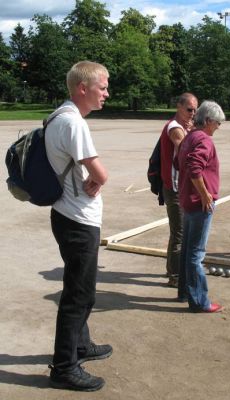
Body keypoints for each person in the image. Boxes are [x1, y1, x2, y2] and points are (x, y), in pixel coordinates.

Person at [45, 61, 112, 391]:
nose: (107, 93)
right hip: (78, 220)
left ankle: (81, 345)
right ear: (82, 88)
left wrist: (95, 182)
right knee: (79, 295)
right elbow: (101, 173)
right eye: (102, 87)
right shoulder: (73, 124)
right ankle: (64, 367)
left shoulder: (58, 116)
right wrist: (99, 181)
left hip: (66, 213)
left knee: (79, 287)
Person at [176, 100, 225, 313]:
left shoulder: (190, 137)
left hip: (188, 200)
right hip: (198, 203)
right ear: (207, 121)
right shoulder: (203, 139)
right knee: (196, 254)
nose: (218, 127)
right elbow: (194, 167)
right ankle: (199, 301)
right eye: (217, 123)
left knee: (188, 250)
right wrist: (205, 195)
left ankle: (185, 292)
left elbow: (181, 164)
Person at [159, 92, 198, 288]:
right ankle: (174, 275)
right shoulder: (175, 128)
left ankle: (174, 270)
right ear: (179, 108)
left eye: (195, 110)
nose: (193, 113)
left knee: (180, 231)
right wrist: (194, 133)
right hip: (174, 187)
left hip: (179, 186)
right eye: (189, 109)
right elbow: (186, 151)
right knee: (179, 233)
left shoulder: (183, 126)